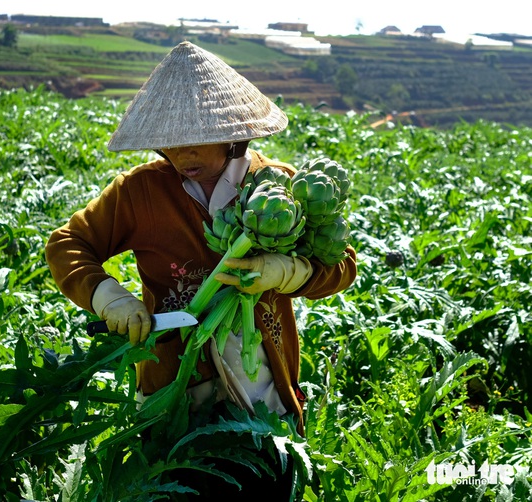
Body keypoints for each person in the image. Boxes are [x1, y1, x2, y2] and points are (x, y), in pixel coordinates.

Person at [45, 41, 357, 496]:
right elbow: (67, 243)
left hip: (262, 394)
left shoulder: (283, 187)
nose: (182, 155)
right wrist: (108, 297)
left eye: (196, 139)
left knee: (267, 485)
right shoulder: (140, 191)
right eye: (170, 143)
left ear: (233, 130)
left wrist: (286, 272)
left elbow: (343, 266)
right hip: (175, 395)